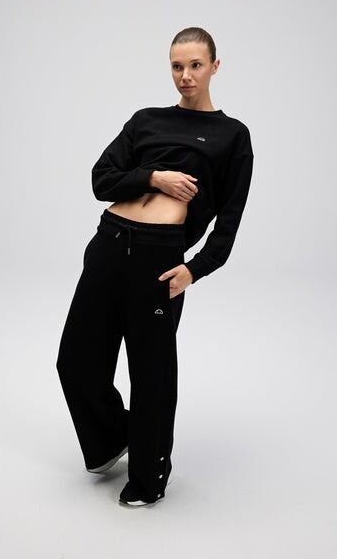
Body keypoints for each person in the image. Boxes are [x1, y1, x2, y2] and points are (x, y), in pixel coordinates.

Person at [56, 26, 254, 507]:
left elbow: (228, 222)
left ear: (215, 67)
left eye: (195, 65)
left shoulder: (232, 136)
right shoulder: (146, 120)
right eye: (177, 66)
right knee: (75, 360)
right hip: (109, 241)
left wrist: (194, 269)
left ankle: (150, 475)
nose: (185, 75)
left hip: (159, 256)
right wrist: (155, 177)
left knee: (151, 372)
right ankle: (112, 439)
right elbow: (102, 179)